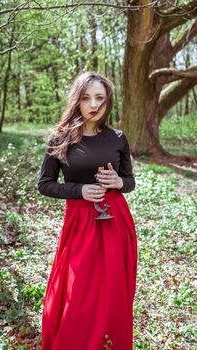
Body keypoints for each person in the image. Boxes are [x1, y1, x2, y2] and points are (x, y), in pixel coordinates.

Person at [38, 71, 138, 350]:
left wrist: (118, 182)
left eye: (100, 98)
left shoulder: (117, 138)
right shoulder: (60, 138)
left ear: (108, 102)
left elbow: (129, 182)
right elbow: (44, 185)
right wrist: (79, 190)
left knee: (111, 291)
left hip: (115, 221)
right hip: (80, 223)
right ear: (77, 101)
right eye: (86, 98)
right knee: (79, 290)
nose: (94, 105)